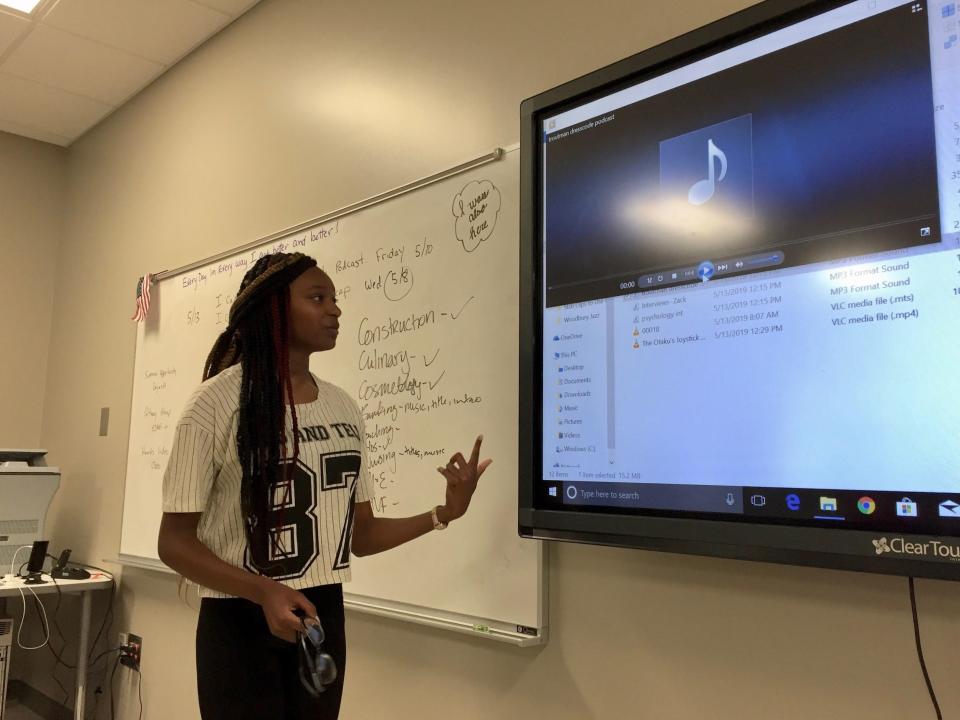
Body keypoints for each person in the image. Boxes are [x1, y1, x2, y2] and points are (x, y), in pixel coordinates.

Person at [157, 252, 491, 720]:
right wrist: (264, 592)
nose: (334, 310)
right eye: (318, 298)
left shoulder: (343, 407)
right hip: (239, 619)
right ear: (273, 308)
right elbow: (173, 544)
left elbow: (362, 535)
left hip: (321, 612)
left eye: (335, 299)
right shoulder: (213, 405)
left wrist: (443, 514)